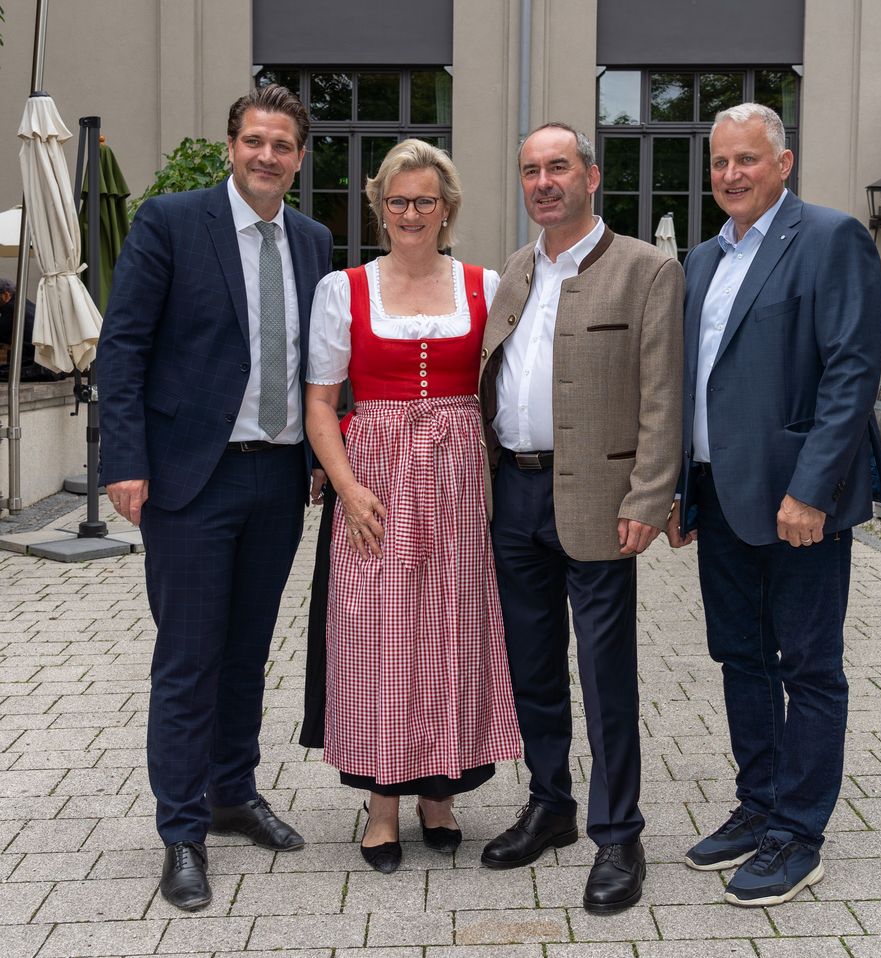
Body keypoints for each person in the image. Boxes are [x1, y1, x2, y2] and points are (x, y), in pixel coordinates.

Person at [96, 84, 333, 911]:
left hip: (277, 476)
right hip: (191, 477)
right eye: (255, 141)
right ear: (232, 145)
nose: (268, 156)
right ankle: (181, 830)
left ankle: (234, 791)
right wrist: (122, 459)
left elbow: (315, 360)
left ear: (300, 159)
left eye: (283, 146)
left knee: (247, 649)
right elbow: (123, 345)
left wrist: (318, 458)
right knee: (189, 657)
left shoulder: (313, 240)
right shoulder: (170, 222)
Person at [669, 102, 881, 907]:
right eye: (721, 162)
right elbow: (688, 386)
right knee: (739, 657)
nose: (732, 174)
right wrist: (676, 488)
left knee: (808, 665)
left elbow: (851, 373)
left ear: (783, 162)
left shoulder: (831, 239)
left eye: (748, 160)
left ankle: (799, 833)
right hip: (717, 495)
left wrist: (813, 488)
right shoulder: (700, 260)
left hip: (797, 502)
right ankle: (758, 805)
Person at [478, 122, 684, 913]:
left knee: (605, 676)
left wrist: (650, 495)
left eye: (557, 166)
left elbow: (664, 395)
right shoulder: (517, 270)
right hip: (516, 498)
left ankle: (619, 833)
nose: (543, 182)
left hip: (601, 503)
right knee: (532, 666)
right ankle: (550, 804)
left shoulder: (647, 271)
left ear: (591, 177)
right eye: (530, 170)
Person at [304, 138, 521, 875]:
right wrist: (346, 486)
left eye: (425, 200)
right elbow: (321, 403)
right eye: (397, 201)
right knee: (378, 637)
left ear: (448, 208)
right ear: (379, 207)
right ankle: (383, 804)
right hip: (376, 480)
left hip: (459, 480)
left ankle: (441, 791)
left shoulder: (485, 285)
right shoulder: (346, 289)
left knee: (453, 631)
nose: (410, 213)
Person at [0, 278, 58, 382]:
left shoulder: (11, 308)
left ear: (5, 295)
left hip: (43, 369)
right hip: (52, 367)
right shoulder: (23, 304)